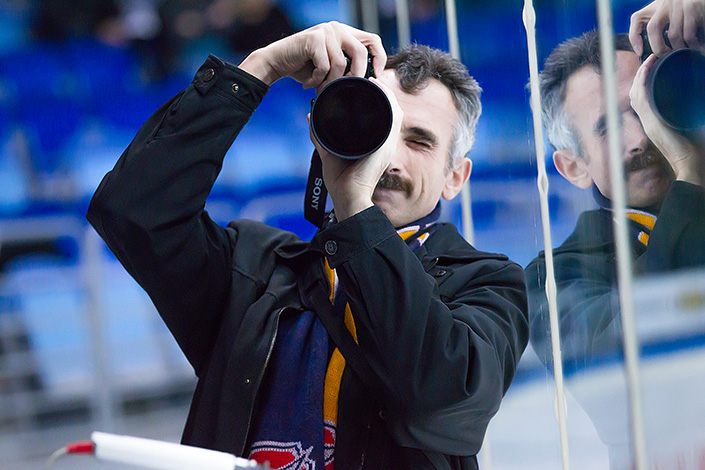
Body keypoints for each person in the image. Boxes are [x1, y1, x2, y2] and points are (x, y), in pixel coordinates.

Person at [86, 21, 529, 470]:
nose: (388, 158)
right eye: (381, 127)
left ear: (455, 177)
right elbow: (133, 212)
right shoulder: (254, 270)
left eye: (418, 141)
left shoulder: (489, 285)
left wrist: (356, 208)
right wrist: (261, 67)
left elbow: (439, 403)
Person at [526, 0, 705, 466]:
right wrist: (689, 175)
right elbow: (630, 387)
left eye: (644, 107)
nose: (640, 138)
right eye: (607, 126)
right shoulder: (554, 276)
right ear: (574, 167)